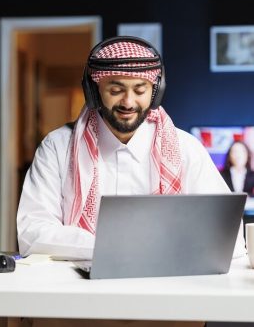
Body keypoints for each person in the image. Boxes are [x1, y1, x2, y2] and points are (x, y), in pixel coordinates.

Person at [14, 36, 246, 327]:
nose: (128, 102)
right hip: (75, 305)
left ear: (156, 91)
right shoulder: (58, 147)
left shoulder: (186, 149)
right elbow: (32, 230)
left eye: (140, 90)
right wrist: (117, 247)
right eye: (115, 89)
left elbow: (230, 237)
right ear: (94, 90)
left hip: (168, 307)